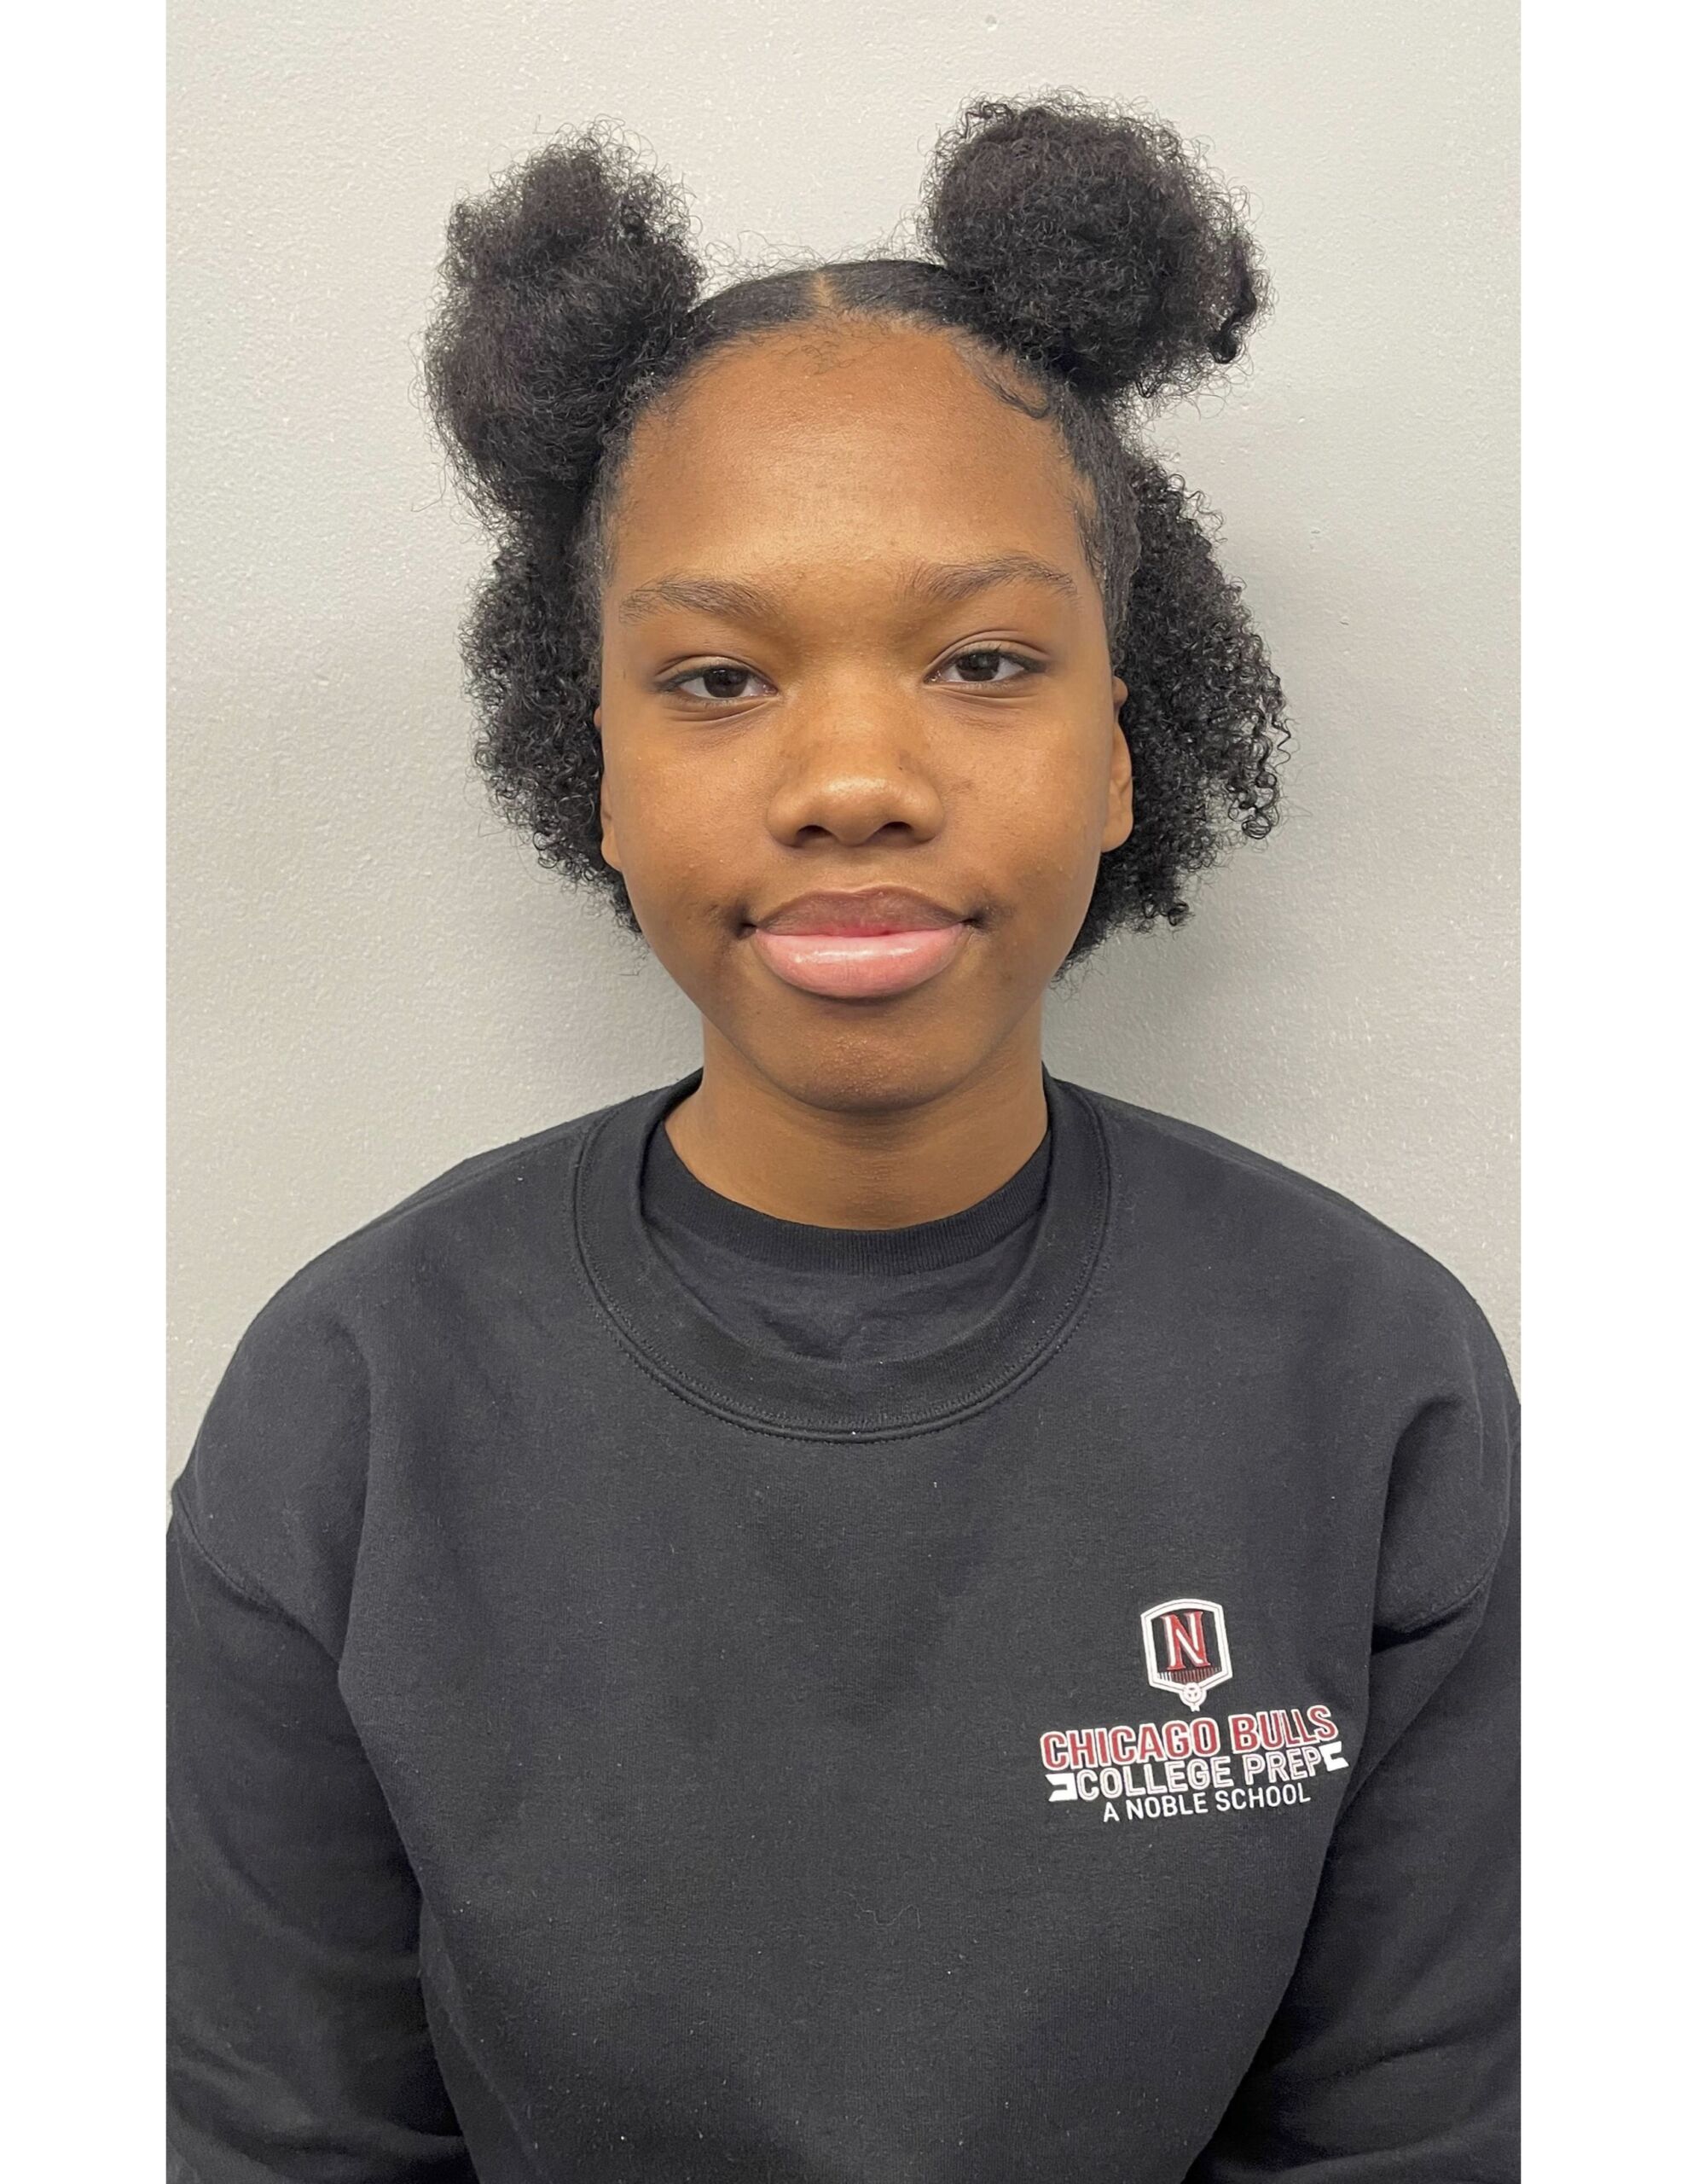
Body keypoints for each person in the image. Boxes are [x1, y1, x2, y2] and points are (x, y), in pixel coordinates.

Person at [166, 93, 1520, 2184]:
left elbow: (1411, 2133)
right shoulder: (352, 1403)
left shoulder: (1372, 1379)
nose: (854, 775)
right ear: (588, 764)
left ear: (1119, 747)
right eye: (715, 678)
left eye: (981, 660)